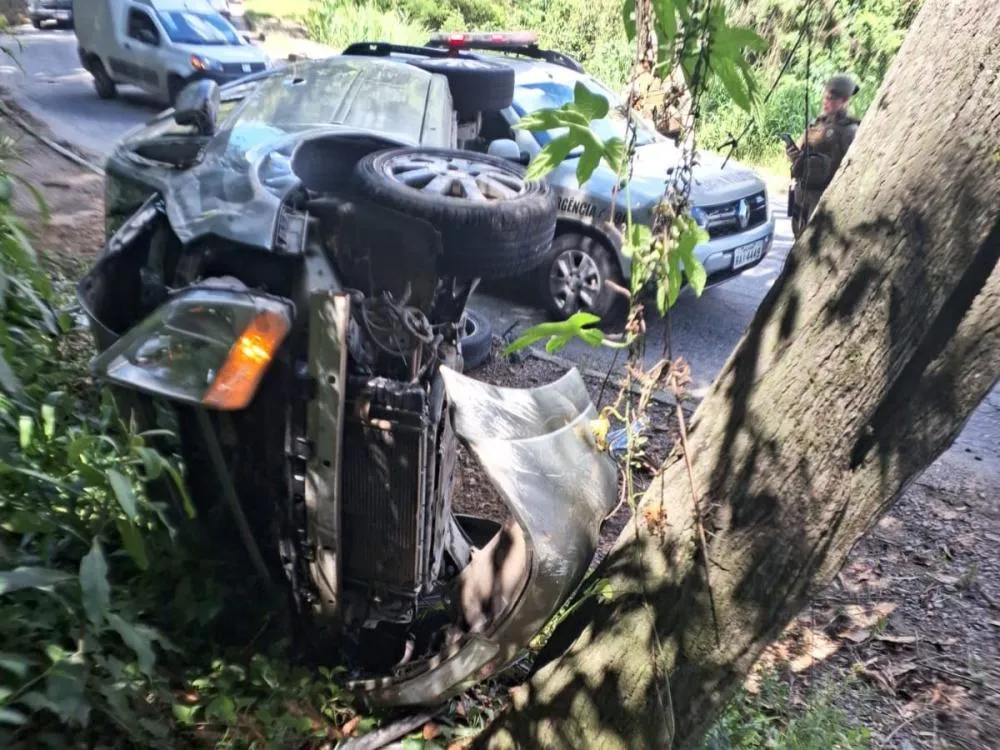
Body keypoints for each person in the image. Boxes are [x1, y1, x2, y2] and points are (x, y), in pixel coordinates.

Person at [786, 73, 860, 238]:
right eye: (826, 96)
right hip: (802, 196)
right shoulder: (818, 122)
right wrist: (793, 155)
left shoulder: (850, 130)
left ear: (845, 101)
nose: (826, 101)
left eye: (833, 98)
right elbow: (800, 150)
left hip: (822, 200)